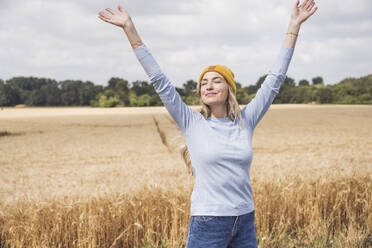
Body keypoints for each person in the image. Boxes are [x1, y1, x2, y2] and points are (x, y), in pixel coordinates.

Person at [98, 1, 318, 247]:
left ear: (229, 90)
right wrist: (130, 29)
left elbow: (274, 80)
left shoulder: (246, 120)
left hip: (244, 219)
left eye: (216, 81)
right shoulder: (191, 122)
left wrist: (293, 26)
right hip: (208, 221)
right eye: (204, 83)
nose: (209, 86)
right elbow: (158, 79)